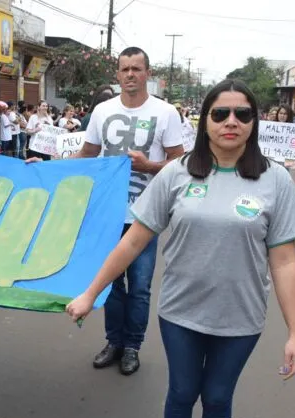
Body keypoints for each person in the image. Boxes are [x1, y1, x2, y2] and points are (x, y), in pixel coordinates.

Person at [66, 79, 295, 418]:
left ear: (254, 122)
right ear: (205, 121)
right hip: (180, 312)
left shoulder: (275, 180)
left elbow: (286, 261)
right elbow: (135, 239)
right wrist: (90, 292)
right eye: (220, 114)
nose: (231, 122)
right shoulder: (178, 174)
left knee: (217, 397)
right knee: (181, 392)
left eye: (242, 114)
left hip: (241, 318)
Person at [34, 46, 184, 376]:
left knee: (140, 286)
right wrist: (47, 169)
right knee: (112, 285)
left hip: (146, 217)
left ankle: (133, 346)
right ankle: (113, 342)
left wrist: (150, 165)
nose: (130, 74)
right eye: (124, 69)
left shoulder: (166, 113)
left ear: (148, 73)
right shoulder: (103, 111)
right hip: (108, 214)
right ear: (117, 74)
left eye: (137, 68)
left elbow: (179, 162)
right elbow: (87, 154)